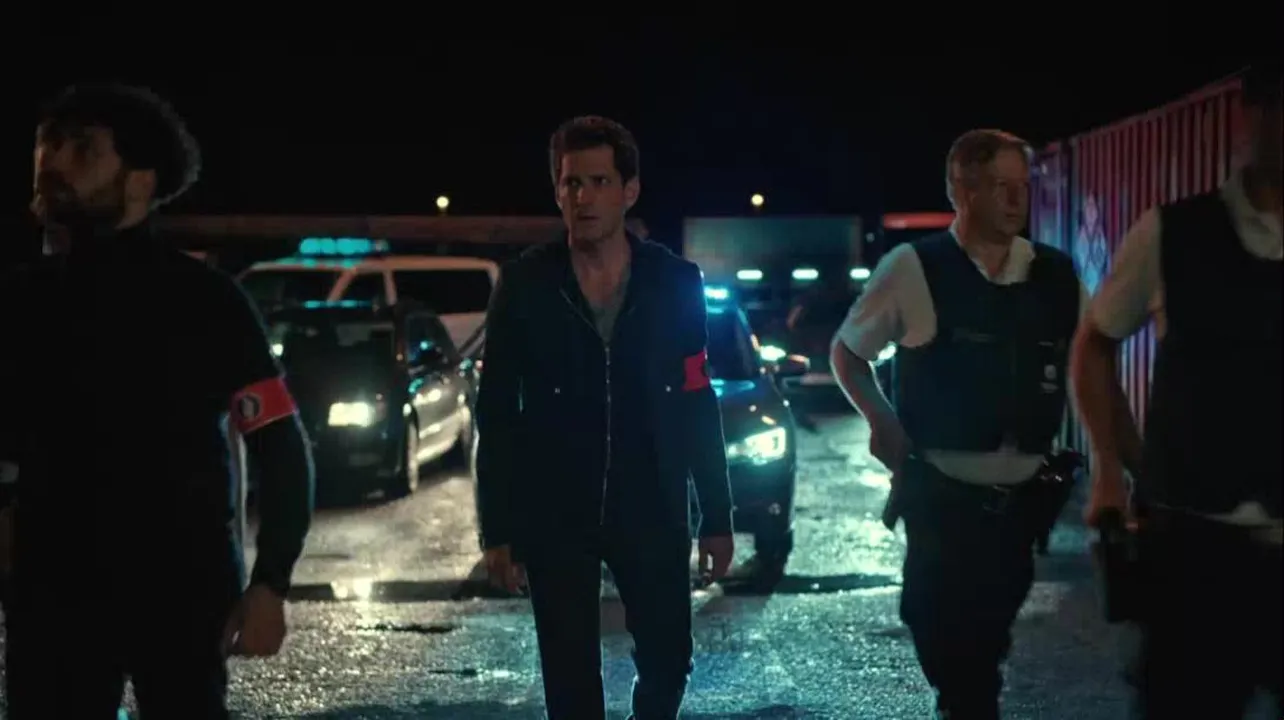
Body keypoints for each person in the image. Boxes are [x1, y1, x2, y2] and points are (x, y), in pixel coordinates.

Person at [0, 83, 316, 719]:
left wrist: (270, 583)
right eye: (47, 146)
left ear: (141, 181)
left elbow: (281, 444)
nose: (53, 163)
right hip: (51, 592)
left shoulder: (207, 302)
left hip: (181, 590)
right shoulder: (23, 299)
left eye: (82, 150)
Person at [474, 115, 735, 720]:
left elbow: (697, 401)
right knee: (568, 677)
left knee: (669, 660)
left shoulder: (675, 282)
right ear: (557, 191)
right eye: (571, 183)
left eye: (598, 181)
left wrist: (717, 516)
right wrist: (498, 527)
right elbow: (497, 412)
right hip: (557, 507)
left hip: (653, 503)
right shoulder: (526, 284)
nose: (583, 197)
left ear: (629, 190)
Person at [830, 129, 1088, 719]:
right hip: (941, 500)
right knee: (935, 626)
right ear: (962, 191)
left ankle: (967, 704)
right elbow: (849, 352)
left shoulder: (1053, 275)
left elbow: (1092, 354)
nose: (1017, 200)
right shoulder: (915, 268)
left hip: (1022, 506)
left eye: (1022, 186)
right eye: (1000, 186)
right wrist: (881, 422)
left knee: (982, 648)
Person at [1071, 60, 1281, 718]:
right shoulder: (1173, 231)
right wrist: (1112, 469)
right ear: (1252, 114)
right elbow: (1095, 344)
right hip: (1197, 550)